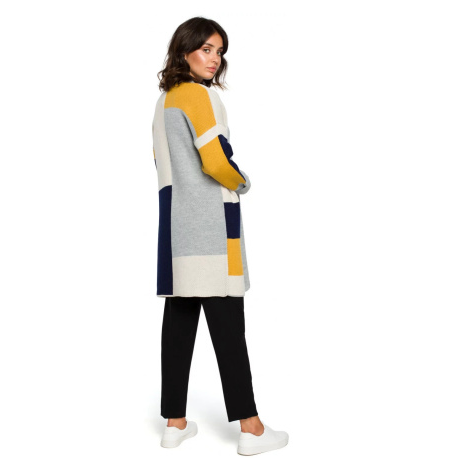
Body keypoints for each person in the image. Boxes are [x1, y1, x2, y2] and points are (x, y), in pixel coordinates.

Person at [152, 17, 289, 456]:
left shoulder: (164, 100)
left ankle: (174, 423)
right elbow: (214, 161)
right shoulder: (199, 95)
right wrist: (242, 182)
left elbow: (161, 164)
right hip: (212, 228)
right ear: (185, 50)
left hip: (178, 230)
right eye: (206, 49)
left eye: (219, 51)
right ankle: (251, 428)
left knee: (179, 323)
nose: (214, 59)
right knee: (229, 327)